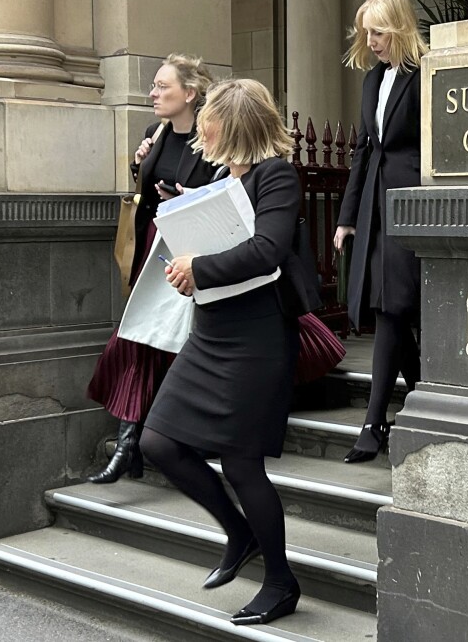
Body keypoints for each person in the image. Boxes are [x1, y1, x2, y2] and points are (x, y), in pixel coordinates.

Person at [140, 78, 320, 626]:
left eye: (210, 121)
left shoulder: (276, 176)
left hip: (257, 338)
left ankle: (281, 583)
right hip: (212, 331)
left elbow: (267, 250)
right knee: (158, 442)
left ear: (230, 125)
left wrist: (199, 268)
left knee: (242, 465)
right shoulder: (221, 176)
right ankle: (241, 533)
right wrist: (185, 263)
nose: (202, 130)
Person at [84, 54, 219, 484]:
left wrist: (187, 196)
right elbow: (145, 193)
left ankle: (145, 441)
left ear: (190, 93)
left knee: (165, 340)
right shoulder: (154, 133)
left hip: (189, 252)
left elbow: (223, 193)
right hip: (152, 249)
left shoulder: (210, 136)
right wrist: (139, 165)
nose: (153, 93)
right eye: (154, 86)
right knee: (142, 338)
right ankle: (132, 443)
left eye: (163, 86)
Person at [334, 0, 428, 464]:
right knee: (385, 305)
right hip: (374, 204)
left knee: (394, 306)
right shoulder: (373, 79)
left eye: (378, 32)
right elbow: (363, 149)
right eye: (366, 33)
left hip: (411, 202)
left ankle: (374, 422)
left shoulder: (426, 73)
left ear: (400, 27)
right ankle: (423, 394)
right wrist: (347, 218)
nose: (370, 41)